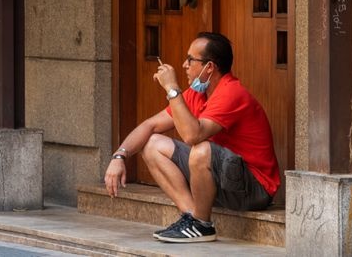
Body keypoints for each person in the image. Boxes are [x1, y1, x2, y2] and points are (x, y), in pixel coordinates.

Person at [104, 32, 280, 243]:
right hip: (223, 181)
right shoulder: (197, 93)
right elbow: (150, 125)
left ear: (210, 67)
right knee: (152, 144)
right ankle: (191, 217)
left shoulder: (232, 93)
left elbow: (192, 135)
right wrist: (119, 156)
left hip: (253, 189)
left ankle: (202, 224)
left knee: (201, 148)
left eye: (190, 60)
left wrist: (171, 88)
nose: (184, 65)